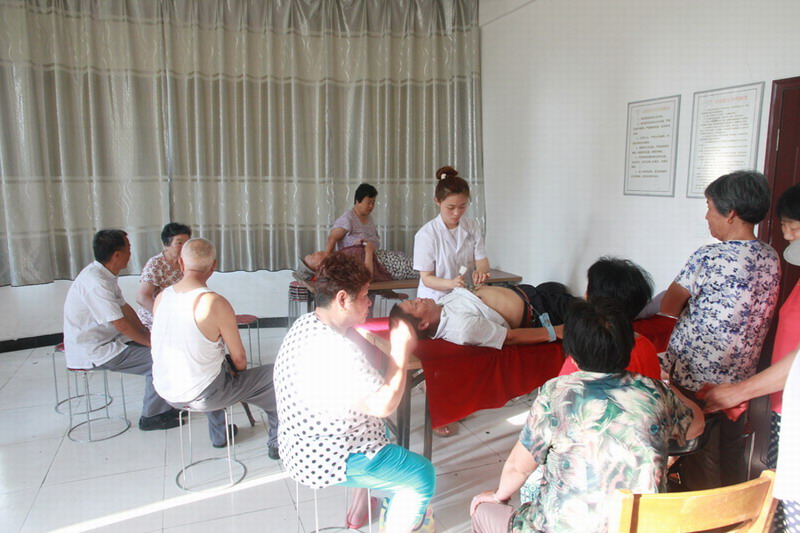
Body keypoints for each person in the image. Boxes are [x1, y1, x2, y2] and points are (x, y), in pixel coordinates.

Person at [469, 298, 703, 533]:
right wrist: (667, 387)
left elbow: (518, 468)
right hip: (640, 526)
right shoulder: (654, 392)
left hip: (560, 527)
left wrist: (497, 497)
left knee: (482, 510)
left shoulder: (556, 392)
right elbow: (696, 426)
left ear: (573, 354)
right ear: (628, 345)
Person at [274, 253, 436, 533]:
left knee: (380, 430)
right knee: (422, 475)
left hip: (298, 442)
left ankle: (361, 504)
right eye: (363, 296)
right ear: (342, 299)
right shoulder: (333, 350)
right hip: (323, 454)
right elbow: (384, 405)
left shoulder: (306, 324)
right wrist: (399, 353)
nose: (369, 301)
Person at [659, 170, 780, 490]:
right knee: (730, 451)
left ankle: (708, 513)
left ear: (731, 213)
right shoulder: (771, 256)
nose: (706, 216)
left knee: (702, 459)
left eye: (710, 207)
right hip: (740, 381)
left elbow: (669, 305)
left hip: (696, 381)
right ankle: (738, 509)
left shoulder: (709, 256)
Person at [699, 183, 800, 531]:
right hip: (780, 403)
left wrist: (738, 391)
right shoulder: (771, 258)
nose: (786, 235)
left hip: (783, 405)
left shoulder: (710, 256)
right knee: (778, 497)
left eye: (793, 226)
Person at [150, 238, 279, 456]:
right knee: (275, 377)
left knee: (209, 366)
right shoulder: (213, 303)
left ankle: (221, 434)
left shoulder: (162, 297)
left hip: (166, 391)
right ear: (214, 266)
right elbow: (239, 358)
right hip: (204, 395)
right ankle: (278, 443)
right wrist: (240, 378)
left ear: (181, 263)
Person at [62, 229, 182, 431]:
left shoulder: (104, 274)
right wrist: (151, 343)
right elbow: (121, 324)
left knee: (167, 349)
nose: (130, 253)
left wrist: (147, 333)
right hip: (95, 349)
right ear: (117, 255)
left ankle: (166, 405)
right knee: (161, 360)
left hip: (112, 338)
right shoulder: (95, 283)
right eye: (129, 248)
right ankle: (151, 416)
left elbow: (125, 309)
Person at [558, 256, 661, 379]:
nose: (585, 295)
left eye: (588, 289)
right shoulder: (646, 347)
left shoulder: (584, 352)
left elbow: (562, 385)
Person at [391, 282, 575, 349]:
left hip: (528, 293)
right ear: (423, 324)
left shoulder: (440, 306)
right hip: (540, 310)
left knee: (556, 287)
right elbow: (510, 337)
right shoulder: (461, 327)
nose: (420, 298)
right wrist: (557, 331)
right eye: (416, 304)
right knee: (588, 309)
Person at [414, 165, 490, 302]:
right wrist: (451, 283)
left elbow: (482, 260)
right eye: (451, 207)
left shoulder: (472, 227)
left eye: (462, 206)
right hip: (435, 300)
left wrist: (481, 272)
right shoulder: (426, 234)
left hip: (465, 297)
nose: (457, 213)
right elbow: (426, 278)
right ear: (437, 201)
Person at [136, 222, 192, 329]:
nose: (184, 248)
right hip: (155, 321)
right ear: (166, 244)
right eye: (179, 243)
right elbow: (142, 297)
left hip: (179, 318)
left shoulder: (188, 263)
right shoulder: (156, 264)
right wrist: (166, 316)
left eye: (187, 243)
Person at [300, 242, 417, 283]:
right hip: (390, 266)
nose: (316, 252)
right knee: (423, 268)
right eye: (313, 255)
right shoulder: (336, 269)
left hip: (388, 260)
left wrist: (358, 245)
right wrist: (368, 251)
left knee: (422, 263)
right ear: (318, 266)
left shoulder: (334, 261)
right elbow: (367, 276)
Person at [325, 183, 380, 253]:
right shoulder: (348, 218)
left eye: (373, 203)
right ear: (358, 200)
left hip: (375, 256)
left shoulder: (369, 217)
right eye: (368, 202)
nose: (371, 206)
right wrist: (328, 258)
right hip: (354, 258)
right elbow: (332, 238)